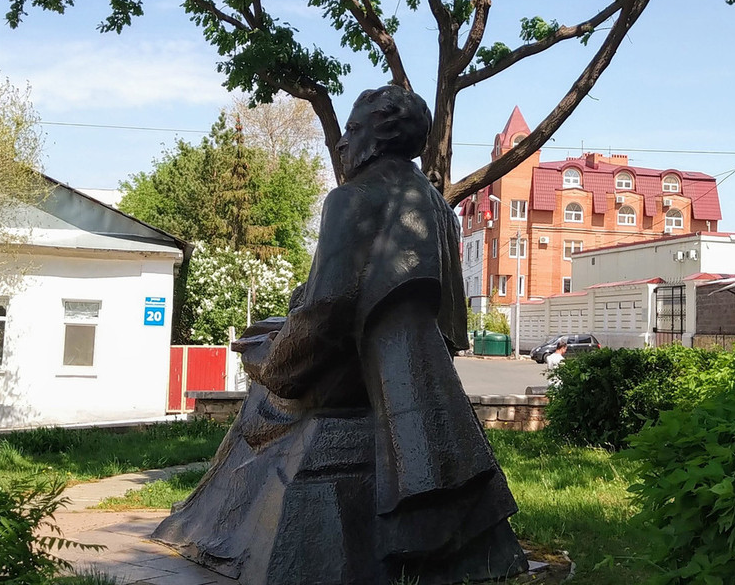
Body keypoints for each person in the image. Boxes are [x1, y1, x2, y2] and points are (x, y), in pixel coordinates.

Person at [154, 85, 528, 585]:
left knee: (261, 373)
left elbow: (326, 312)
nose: (341, 144)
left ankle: (208, 526)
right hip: (404, 372)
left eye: (351, 131)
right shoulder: (439, 209)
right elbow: (443, 322)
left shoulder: (351, 200)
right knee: (271, 332)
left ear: (380, 138)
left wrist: (272, 365)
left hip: (349, 374)